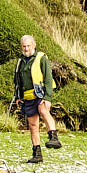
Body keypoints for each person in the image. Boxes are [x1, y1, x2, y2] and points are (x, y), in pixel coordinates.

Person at [11, 34, 62, 164]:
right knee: (33, 125)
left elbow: (48, 78)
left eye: (28, 46)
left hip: (40, 93)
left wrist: (48, 97)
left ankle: (53, 137)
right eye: (24, 46)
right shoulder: (20, 61)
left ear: (34, 45)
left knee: (44, 111)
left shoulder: (41, 58)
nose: (26, 49)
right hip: (27, 96)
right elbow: (18, 81)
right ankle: (37, 153)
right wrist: (18, 97)